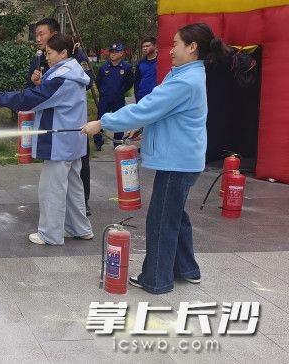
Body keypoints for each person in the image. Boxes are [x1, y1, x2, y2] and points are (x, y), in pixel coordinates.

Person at [81, 23, 229, 294]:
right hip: (181, 158)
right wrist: (145, 127)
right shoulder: (186, 74)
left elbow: (147, 107)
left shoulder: (185, 80)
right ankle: (186, 269)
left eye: (175, 44)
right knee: (175, 214)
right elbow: (164, 112)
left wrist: (103, 122)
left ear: (192, 47)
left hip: (177, 162)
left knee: (161, 219)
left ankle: (156, 279)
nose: (170, 50)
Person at [0, 33, 93, 246]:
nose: (47, 57)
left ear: (64, 53)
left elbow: (31, 100)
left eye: (50, 53)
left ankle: (50, 234)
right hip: (73, 140)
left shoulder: (62, 78)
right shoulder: (74, 72)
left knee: (51, 189)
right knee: (73, 187)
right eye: (45, 53)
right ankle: (79, 228)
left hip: (59, 141)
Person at [26, 17, 95, 216]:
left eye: (42, 34)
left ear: (54, 35)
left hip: (70, 123)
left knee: (76, 171)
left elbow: (86, 81)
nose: (38, 38)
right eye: (36, 34)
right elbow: (34, 89)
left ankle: (81, 206)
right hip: (53, 123)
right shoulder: (39, 58)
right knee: (63, 179)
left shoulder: (74, 54)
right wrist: (36, 82)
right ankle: (75, 221)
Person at [95, 43, 134, 150]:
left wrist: (121, 91)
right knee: (100, 120)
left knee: (119, 121)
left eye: (116, 52)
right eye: (112, 52)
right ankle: (98, 142)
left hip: (118, 99)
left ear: (121, 53)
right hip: (105, 99)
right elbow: (98, 82)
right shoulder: (104, 67)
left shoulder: (126, 67)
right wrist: (103, 92)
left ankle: (117, 143)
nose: (113, 54)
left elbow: (129, 82)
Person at [135, 37, 158, 102]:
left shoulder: (161, 61)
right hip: (142, 97)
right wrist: (137, 95)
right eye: (143, 47)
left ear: (155, 46)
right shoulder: (140, 63)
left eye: (147, 46)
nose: (145, 48)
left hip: (157, 96)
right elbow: (137, 81)